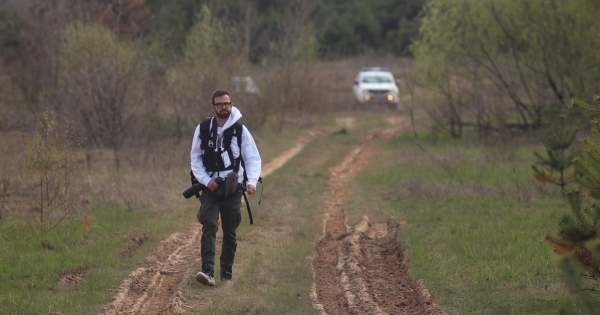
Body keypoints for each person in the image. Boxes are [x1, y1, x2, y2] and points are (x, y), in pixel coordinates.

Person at [190, 89, 261, 286]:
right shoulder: (203, 129)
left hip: (233, 187)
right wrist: (206, 180)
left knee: (230, 231)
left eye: (227, 104)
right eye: (220, 104)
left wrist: (251, 181)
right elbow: (195, 158)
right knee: (210, 225)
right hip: (210, 187)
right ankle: (207, 271)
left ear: (231, 105)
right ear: (213, 106)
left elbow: (252, 158)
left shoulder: (240, 130)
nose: (224, 107)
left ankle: (227, 272)